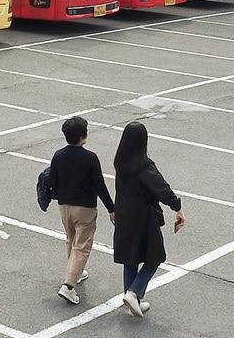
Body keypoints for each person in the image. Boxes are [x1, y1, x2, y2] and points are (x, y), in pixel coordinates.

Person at [112, 122, 185, 319]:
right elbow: (161, 188)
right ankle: (134, 292)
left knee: (130, 258)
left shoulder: (120, 161)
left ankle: (131, 299)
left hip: (124, 214)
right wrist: (177, 207)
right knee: (155, 256)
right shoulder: (144, 166)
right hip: (143, 216)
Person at [51, 117, 115, 305]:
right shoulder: (90, 158)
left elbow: (53, 181)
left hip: (64, 206)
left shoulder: (58, 155)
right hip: (85, 207)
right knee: (82, 246)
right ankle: (68, 285)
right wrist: (112, 208)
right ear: (82, 136)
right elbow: (100, 185)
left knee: (71, 239)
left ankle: (76, 273)